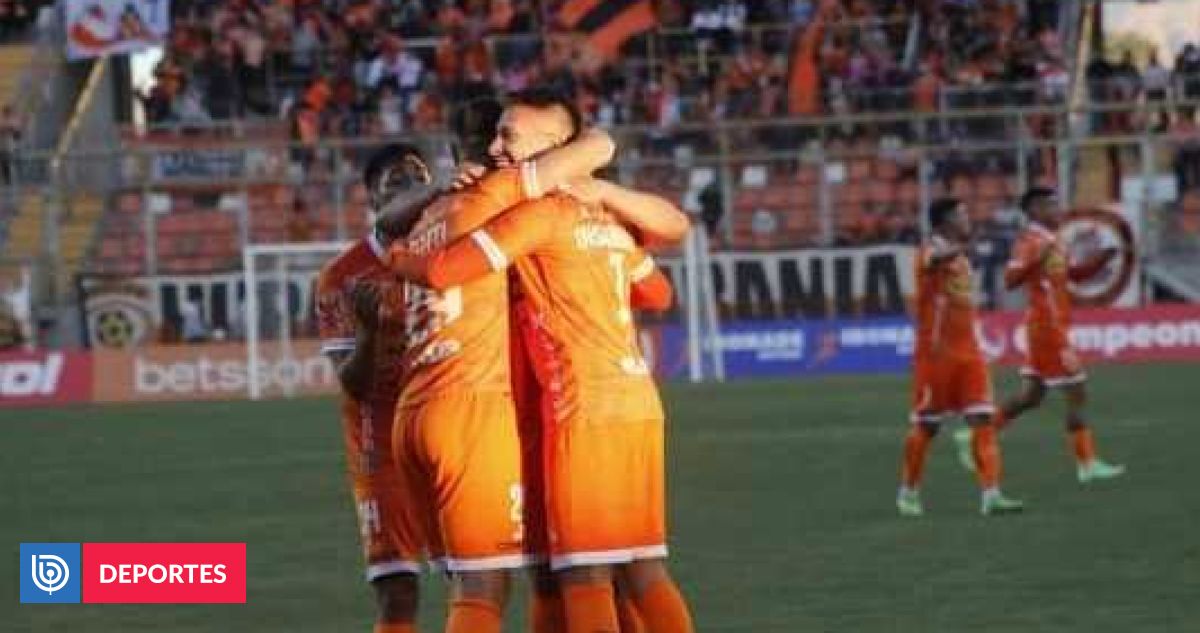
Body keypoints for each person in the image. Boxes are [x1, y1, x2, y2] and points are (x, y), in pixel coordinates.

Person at [387, 87, 695, 633]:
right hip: (634, 402)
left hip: (576, 407)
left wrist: (398, 259)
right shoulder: (601, 215)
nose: (496, 147)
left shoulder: (531, 216)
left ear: (554, 148)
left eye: (508, 136)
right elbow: (660, 291)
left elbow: (442, 271)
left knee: (578, 572)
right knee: (636, 566)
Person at [314, 142, 437, 633]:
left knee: (479, 577)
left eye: (418, 178)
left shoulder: (455, 251)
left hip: (453, 430)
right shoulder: (341, 277)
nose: (411, 188)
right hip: (380, 444)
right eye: (396, 182)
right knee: (398, 590)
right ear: (373, 200)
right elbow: (352, 383)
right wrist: (369, 332)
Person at [958, 187, 1126, 484]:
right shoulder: (1030, 241)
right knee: (1077, 392)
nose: (1057, 210)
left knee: (1031, 397)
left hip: (1050, 327)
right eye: (1050, 205)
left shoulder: (1053, 239)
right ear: (1034, 210)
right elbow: (1010, 279)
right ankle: (1087, 463)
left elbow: (1072, 275)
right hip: (1047, 329)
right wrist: (1038, 259)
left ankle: (975, 435)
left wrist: (1101, 259)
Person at [896, 198, 1023, 517]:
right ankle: (908, 491)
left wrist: (963, 248)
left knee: (983, 421)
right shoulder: (928, 252)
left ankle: (991, 495)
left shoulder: (963, 259)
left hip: (969, 354)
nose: (967, 218)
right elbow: (934, 260)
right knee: (927, 427)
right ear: (944, 221)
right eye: (961, 214)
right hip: (935, 356)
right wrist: (962, 246)